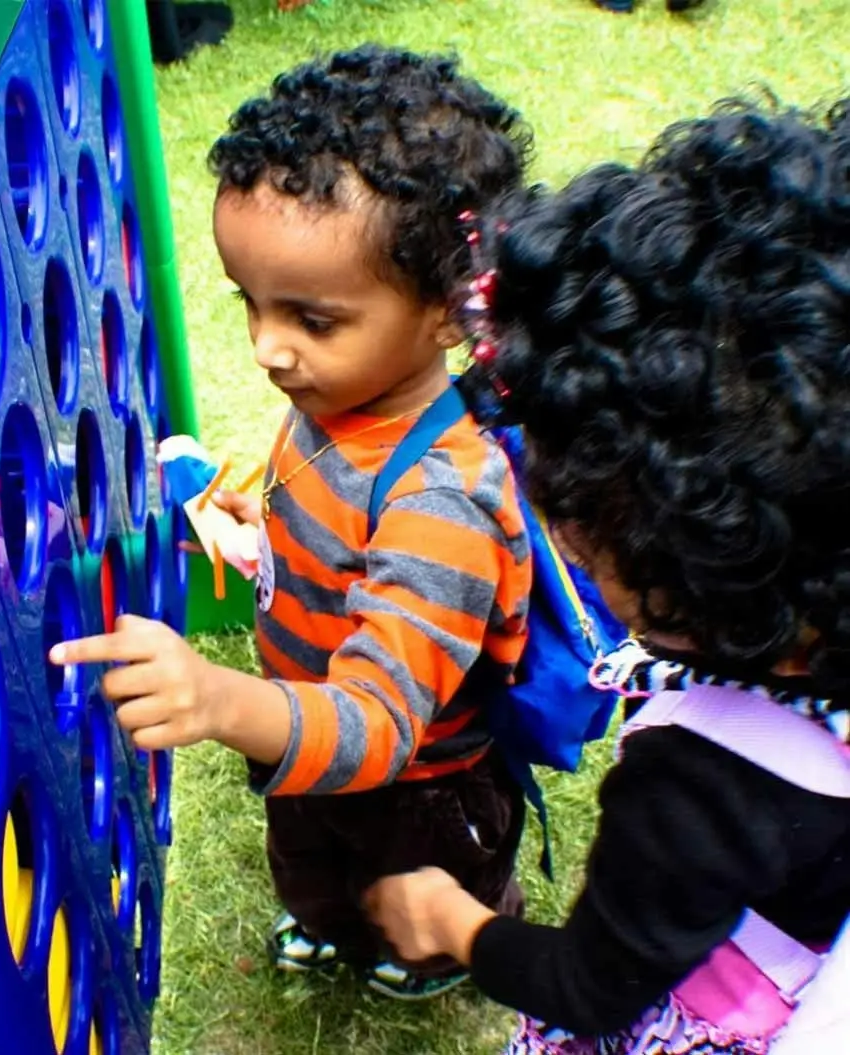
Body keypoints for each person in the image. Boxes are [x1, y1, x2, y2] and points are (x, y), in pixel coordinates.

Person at [50, 44, 535, 999]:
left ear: (446, 312)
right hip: (302, 729)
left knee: (410, 896)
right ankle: (331, 923)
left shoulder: (440, 501)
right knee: (314, 867)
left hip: (414, 783)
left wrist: (221, 701)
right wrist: (258, 520)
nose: (270, 348)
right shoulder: (338, 399)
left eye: (311, 318)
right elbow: (321, 511)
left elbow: (379, 724)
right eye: (250, 303)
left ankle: (436, 945)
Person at [367, 95, 850, 1051]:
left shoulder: (699, 788)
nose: (553, 519)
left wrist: (455, 923)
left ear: (707, 576)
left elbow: (592, 985)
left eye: (582, 529)